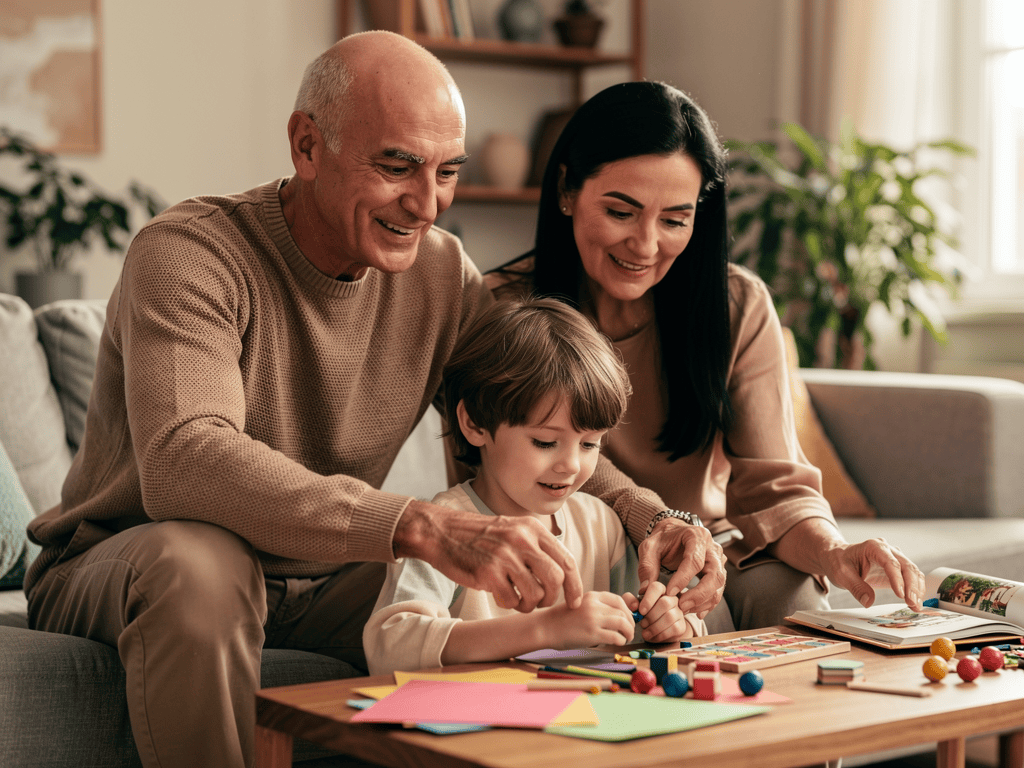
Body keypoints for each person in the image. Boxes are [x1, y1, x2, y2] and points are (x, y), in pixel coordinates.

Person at [22, 32, 599, 768]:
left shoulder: (442, 275)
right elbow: (184, 462)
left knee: (490, 587)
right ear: (306, 146)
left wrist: (659, 520)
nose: (428, 205)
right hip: (124, 563)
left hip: (316, 579)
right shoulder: (190, 253)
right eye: (398, 166)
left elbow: (539, 417)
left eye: (447, 172)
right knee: (204, 562)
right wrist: (414, 524)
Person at [488, 80, 926, 634]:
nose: (646, 245)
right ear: (567, 191)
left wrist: (836, 554)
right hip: (573, 545)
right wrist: (653, 523)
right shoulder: (500, 308)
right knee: (693, 617)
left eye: (674, 219)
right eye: (622, 212)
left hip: (712, 543)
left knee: (795, 597)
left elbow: (775, 488)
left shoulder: (736, 304)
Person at [364, 297, 704, 675]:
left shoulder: (601, 526)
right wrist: (545, 629)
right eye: (544, 442)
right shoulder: (446, 530)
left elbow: (653, 627)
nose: (572, 465)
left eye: (590, 443)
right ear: (475, 424)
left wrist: (672, 622)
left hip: (584, 720)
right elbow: (388, 646)